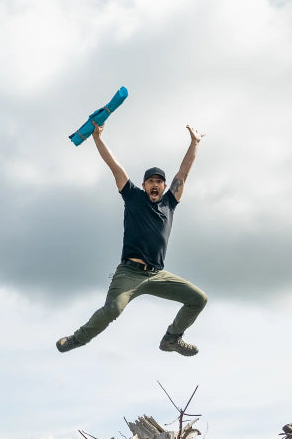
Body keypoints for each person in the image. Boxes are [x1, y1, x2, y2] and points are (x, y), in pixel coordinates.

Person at [57, 121, 208, 356]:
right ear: (145, 185)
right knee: (113, 309)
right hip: (129, 273)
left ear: (165, 186)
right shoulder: (133, 197)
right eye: (151, 181)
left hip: (157, 274)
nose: (155, 185)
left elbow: (183, 173)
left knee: (198, 299)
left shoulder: (170, 203)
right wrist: (98, 138)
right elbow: (114, 166)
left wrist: (194, 143)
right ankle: (77, 339)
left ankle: (172, 339)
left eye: (159, 181)